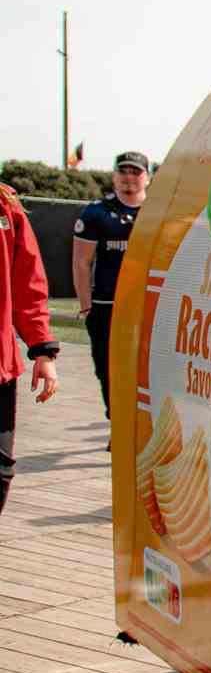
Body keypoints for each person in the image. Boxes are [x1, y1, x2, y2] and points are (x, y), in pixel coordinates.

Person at [72, 151, 148, 420]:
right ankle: (118, 423)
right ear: (114, 176)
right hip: (107, 306)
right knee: (107, 370)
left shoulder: (158, 213)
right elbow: (82, 262)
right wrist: (86, 306)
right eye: (123, 171)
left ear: (147, 177)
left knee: (143, 370)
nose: (129, 178)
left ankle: (138, 426)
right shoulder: (97, 213)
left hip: (145, 307)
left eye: (135, 172)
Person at [1, 181, 61, 516]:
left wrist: (42, 349)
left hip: (1, 366)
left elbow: (28, 284)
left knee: (1, 472)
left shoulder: (6, 206)